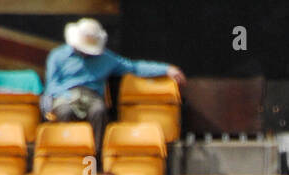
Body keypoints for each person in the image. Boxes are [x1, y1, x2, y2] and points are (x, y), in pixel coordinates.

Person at [42, 18, 184, 157]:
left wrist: (166, 69)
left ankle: (94, 158)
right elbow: (52, 84)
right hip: (64, 94)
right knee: (65, 112)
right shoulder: (57, 56)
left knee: (99, 111)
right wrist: (67, 97)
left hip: (92, 95)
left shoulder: (107, 58)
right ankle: (67, 156)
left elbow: (134, 67)